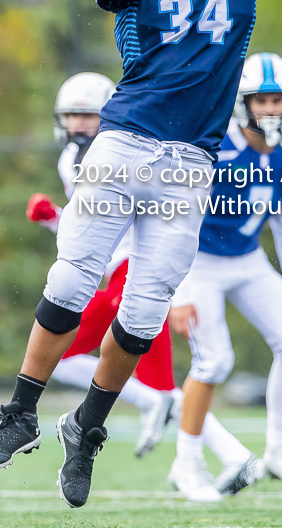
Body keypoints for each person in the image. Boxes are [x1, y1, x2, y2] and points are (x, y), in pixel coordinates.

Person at [0, 0, 282, 509]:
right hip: (125, 141)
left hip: (191, 162)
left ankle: (87, 426)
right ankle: (19, 411)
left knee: (145, 311)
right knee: (72, 277)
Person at [168, 53, 282, 501]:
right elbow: (174, 218)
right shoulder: (212, 145)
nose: (270, 109)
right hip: (197, 261)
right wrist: (175, 291)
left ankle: (279, 451)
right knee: (214, 361)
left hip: (247, 258)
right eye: (260, 101)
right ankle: (187, 463)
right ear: (241, 104)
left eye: (277, 100)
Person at [25, 72, 178, 459]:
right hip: (111, 272)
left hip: (137, 268)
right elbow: (89, 226)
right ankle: (226, 454)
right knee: (161, 382)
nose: (78, 123)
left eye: (87, 115)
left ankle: (157, 411)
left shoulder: (128, 154)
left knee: (62, 352)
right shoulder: (69, 159)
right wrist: (53, 219)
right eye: (72, 115)